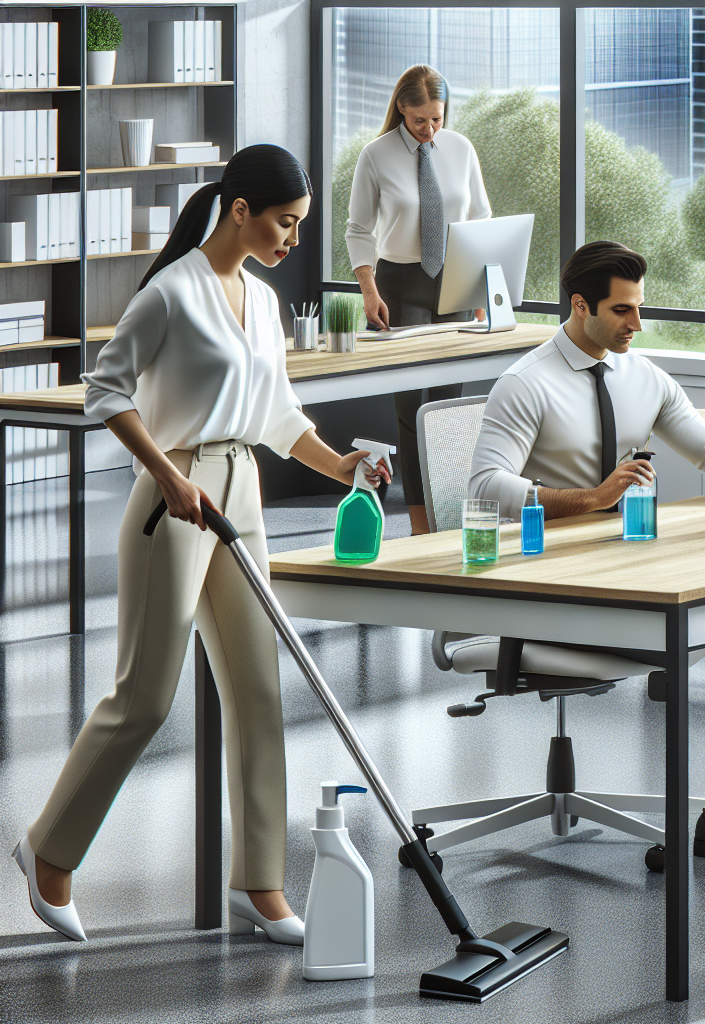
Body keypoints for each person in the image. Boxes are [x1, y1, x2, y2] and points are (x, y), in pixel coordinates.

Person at [13, 145, 389, 944]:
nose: (292, 241)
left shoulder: (262, 300)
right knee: (145, 697)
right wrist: (168, 474)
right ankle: (48, 849)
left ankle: (258, 883)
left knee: (258, 689)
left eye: (299, 227)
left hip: (239, 487)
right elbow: (106, 390)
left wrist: (341, 465)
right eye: (285, 224)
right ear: (241, 209)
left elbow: (279, 414)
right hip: (175, 500)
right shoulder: (171, 294)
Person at [469, 240, 705, 858]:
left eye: (639, 309)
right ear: (581, 306)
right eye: (622, 311)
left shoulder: (643, 377)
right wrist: (591, 497)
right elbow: (484, 485)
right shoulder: (526, 384)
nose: (637, 324)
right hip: (557, 581)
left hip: (631, 561)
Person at [346, 64, 490, 536]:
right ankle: (419, 523)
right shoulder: (376, 155)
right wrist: (369, 290)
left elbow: (481, 218)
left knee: (449, 408)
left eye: (438, 119)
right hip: (400, 282)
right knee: (410, 411)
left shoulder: (461, 149)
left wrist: (483, 289)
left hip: (456, 279)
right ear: (402, 108)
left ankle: (448, 515)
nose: (429, 130)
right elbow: (359, 229)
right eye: (420, 120)